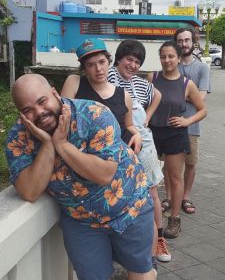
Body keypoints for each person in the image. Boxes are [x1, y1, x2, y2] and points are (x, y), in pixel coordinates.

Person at [5, 74, 156, 280]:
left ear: (54, 93)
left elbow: (104, 174)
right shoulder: (18, 138)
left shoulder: (94, 114)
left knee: (140, 272)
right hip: (81, 221)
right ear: (21, 114)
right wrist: (48, 145)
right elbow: (30, 191)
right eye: (27, 110)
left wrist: (61, 144)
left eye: (42, 101)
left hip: (130, 207)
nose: (39, 112)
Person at [107, 39, 171, 265]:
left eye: (137, 61)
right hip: (116, 144)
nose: (132, 65)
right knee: (120, 193)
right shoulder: (107, 77)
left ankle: (159, 239)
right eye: (129, 59)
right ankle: (123, 246)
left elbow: (158, 96)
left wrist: (146, 118)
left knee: (151, 192)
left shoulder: (140, 83)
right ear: (119, 59)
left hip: (143, 141)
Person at [148, 41, 207, 238]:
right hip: (152, 133)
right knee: (148, 178)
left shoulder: (186, 83)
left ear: (179, 58)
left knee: (175, 178)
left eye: (171, 56)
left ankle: (174, 219)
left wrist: (187, 120)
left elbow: (203, 110)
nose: (167, 60)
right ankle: (148, 217)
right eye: (163, 56)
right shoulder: (152, 77)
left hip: (175, 134)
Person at [172, 28, 210, 214]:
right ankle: (170, 197)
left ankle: (185, 197)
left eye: (187, 40)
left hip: (192, 124)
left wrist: (180, 94)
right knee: (170, 163)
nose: (184, 44)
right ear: (176, 43)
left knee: (191, 163)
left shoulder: (202, 68)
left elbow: (201, 98)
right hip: (169, 124)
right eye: (180, 41)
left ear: (193, 42)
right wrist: (190, 95)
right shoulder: (171, 65)